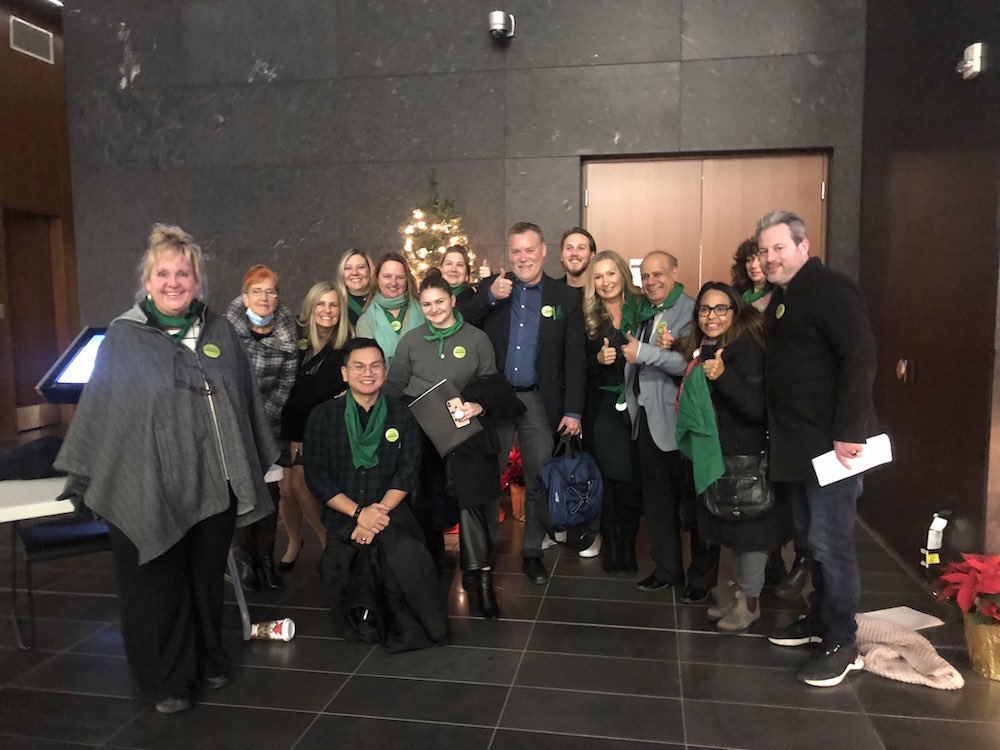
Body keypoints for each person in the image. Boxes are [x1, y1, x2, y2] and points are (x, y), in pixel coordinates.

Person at [54, 224, 276, 714]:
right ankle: (170, 680)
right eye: (163, 273)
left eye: (184, 273)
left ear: (197, 280)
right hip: (149, 485)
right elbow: (103, 412)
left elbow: (240, 401)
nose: (174, 282)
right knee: (160, 584)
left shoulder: (219, 331)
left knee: (203, 577)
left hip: (212, 483)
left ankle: (208, 658)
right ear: (147, 281)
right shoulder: (124, 337)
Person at [758, 210, 877, 688]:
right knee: (810, 541)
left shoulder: (831, 288)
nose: (769, 258)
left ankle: (843, 642)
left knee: (831, 543)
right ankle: (820, 621)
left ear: (803, 246)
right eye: (763, 250)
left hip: (834, 448)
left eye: (778, 248)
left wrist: (850, 429)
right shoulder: (785, 298)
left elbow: (861, 356)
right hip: (799, 447)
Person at [387, 270, 522, 619]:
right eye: (427, 304)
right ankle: (428, 569)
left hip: (465, 431)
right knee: (423, 498)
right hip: (423, 434)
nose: (434, 309)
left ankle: (479, 575)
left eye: (440, 302)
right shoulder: (411, 342)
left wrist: (477, 404)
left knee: (472, 499)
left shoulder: (476, 339)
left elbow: (491, 382)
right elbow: (396, 387)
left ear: (452, 300)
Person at [303, 338, 447, 651]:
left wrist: (375, 514)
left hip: (391, 512)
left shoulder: (402, 414)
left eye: (375, 366)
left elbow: (407, 471)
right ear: (344, 373)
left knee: (404, 562)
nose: (367, 373)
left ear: (384, 371)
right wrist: (358, 514)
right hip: (345, 515)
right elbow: (317, 478)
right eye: (358, 366)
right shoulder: (322, 417)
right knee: (347, 574)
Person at [465, 222, 586, 585]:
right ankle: (484, 549)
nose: (522, 257)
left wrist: (573, 410)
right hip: (496, 400)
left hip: (539, 399)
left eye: (529, 250)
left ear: (543, 251)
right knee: (489, 479)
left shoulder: (565, 298)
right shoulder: (495, 291)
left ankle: (532, 549)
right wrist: (488, 296)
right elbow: (463, 320)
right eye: (516, 251)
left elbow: (575, 358)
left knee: (537, 479)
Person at [676, 282, 783, 632]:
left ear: (735, 312)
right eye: (705, 309)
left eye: (721, 309)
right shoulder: (709, 347)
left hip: (745, 458)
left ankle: (750, 604)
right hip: (721, 455)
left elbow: (757, 409)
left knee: (749, 533)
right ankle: (741, 598)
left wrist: (722, 377)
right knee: (733, 531)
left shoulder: (747, 348)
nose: (712, 316)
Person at [623, 251, 719, 599]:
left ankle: (700, 579)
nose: (651, 282)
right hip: (647, 420)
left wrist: (643, 353)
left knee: (695, 507)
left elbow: (685, 365)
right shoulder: (644, 311)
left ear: (674, 273)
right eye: (645, 276)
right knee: (658, 502)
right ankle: (667, 569)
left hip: (683, 423)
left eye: (658, 274)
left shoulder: (692, 311)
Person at [732, 236, 808, 597]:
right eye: (748, 259)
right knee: (759, 488)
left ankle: (796, 559)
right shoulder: (737, 301)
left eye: (759, 257)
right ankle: (769, 565)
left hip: (780, 401)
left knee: (782, 490)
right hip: (749, 397)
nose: (754, 265)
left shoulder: (786, 298)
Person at [224, 265, 298, 591]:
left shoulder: (288, 329)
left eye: (270, 291)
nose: (264, 297)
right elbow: (222, 377)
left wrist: (263, 418)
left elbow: (287, 381)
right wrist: (243, 417)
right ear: (245, 297)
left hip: (269, 422)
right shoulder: (225, 331)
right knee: (242, 491)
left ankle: (266, 560)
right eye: (257, 291)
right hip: (234, 422)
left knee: (269, 493)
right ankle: (245, 562)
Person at [277, 281, 351, 570]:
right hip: (286, 422)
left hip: (319, 428)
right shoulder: (294, 337)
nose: (327, 310)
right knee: (285, 491)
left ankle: (326, 541)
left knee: (302, 486)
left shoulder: (345, 344)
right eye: (321, 304)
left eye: (333, 305)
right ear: (310, 307)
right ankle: (294, 542)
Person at [581, 250, 645, 571]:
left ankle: (629, 545)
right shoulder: (587, 316)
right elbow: (574, 365)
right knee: (606, 479)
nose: (606, 282)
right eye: (599, 276)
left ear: (622, 275)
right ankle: (611, 545)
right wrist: (597, 361)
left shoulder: (642, 308)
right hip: (602, 408)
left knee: (632, 479)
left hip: (637, 405)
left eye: (611, 274)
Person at [355, 251, 425, 366]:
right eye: (387, 276)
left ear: (407, 279)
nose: (393, 282)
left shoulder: (425, 311)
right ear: (377, 278)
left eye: (400, 277)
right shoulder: (366, 322)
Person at [731, 237, 775, 312]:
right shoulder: (735, 293)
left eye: (759, 259)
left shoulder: (777, 294)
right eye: (749, 260)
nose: (753, 265)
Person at [336, 248, 375, 327]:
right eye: (348, 268)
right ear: (342, 273)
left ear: (370, 270)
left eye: (361, 267)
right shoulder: (336, 302)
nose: (355, 273)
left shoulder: (383, 299)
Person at [438, 246, 477, 317]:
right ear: (441, 268)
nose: (453, 269)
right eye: (449, 264)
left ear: (467, 271)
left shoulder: (475, 298)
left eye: (459, 265)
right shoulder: (429, 296)